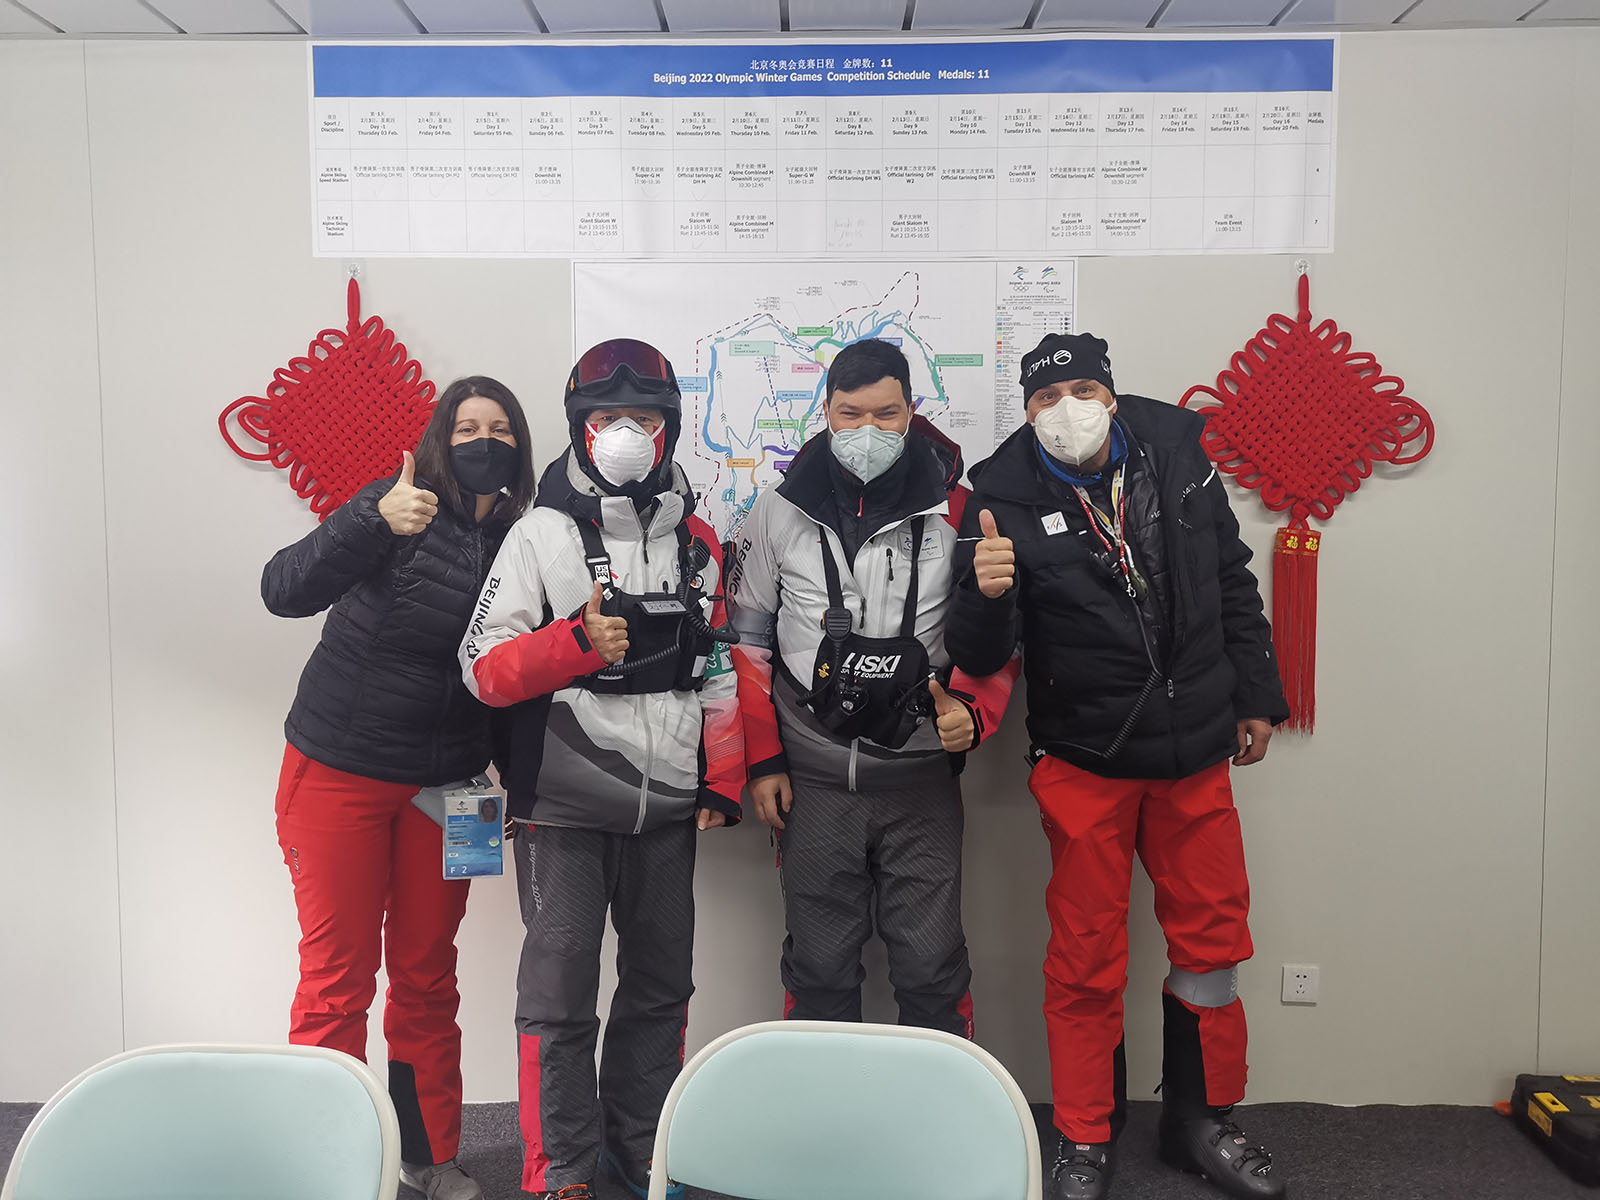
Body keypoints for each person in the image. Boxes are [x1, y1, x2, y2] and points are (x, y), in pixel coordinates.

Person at [946, 333, 1290, 1200]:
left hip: (1197, 749)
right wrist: (985, 592)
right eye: (1046, 397)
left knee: (1212, 945)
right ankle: (1084, 1136)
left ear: (1110, 392)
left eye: (1084, 389)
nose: (1068, 408)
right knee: (1086, 957)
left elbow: (1231, 578)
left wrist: (1256, 695)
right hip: (1085, 759)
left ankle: (1201, 1122)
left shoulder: (1179, 451)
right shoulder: (996, 495)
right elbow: (979, 653)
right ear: (1027, 410)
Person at [458, 339, 744, 1200]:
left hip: (669, 809)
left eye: (644, 417)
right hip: (564, 808)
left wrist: (723, 779)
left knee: (660, 988)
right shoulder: (538, 534)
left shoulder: (699, 543)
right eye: (607, 417)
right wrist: (575, 643)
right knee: (560, 993)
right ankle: (562, 1171)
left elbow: (719, 665)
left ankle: (642, 1156)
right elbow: (482, 667)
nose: (626, 433)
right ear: (580, 427)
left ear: (670, 428)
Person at [263, 376, 535, 1200]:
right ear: (438, 441)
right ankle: (328, 1163)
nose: (482, 441)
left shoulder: (526, 541)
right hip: (340, 770)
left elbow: (512, 678)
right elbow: (282, 589)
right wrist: (369, 520)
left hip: (452, 788)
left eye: (500, 429)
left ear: (520, 447)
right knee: (337, 979)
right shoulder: (396, 506)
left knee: (427, 976)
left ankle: (428, 1155)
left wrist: (515, 785)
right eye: (466, 427)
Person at [726, 338, 1016, 1038]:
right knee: (819, 969)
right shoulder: (776, 510)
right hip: (812, 784)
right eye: (850, 414)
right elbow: (748, 642)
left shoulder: (960, 511)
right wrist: (763, 760)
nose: (867, 431)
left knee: (932, 968)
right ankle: (825, 1107)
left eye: (886, 414)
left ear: (912, 410)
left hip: (921, 781)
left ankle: (937, 1105)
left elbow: (994, 640)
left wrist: (974, 712)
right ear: (825, 412)